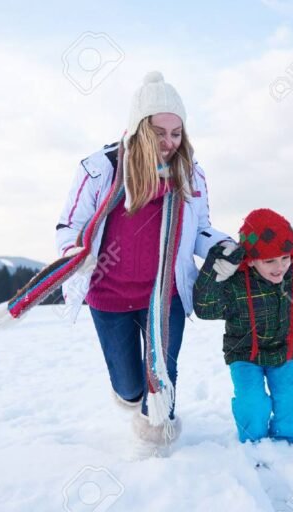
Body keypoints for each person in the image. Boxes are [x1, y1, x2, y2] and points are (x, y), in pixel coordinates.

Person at [54, 71, 230, 453]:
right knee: (130, 388)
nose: (169, 143)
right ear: (138, 129)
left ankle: (158, 455)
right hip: (110, 297)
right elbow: (70, 226)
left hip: (165, 297)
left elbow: (200, 230)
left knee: (162, 377)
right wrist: (74, 254)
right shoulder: (101, 169)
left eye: (177, 133)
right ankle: (135, 399)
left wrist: (226, 246)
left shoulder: (190, 174)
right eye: (159, 132)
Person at [193, 207, 293, 452]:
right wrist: (212, 270)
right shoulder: (235, 282)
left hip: (284, 351)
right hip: (245, 355)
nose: (280, 267)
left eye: (285, 258)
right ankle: (254, 446)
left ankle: (290, 447)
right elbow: (205, 309)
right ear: (251, 259)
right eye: (269, 261)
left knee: (292, 403)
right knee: (252, 404)